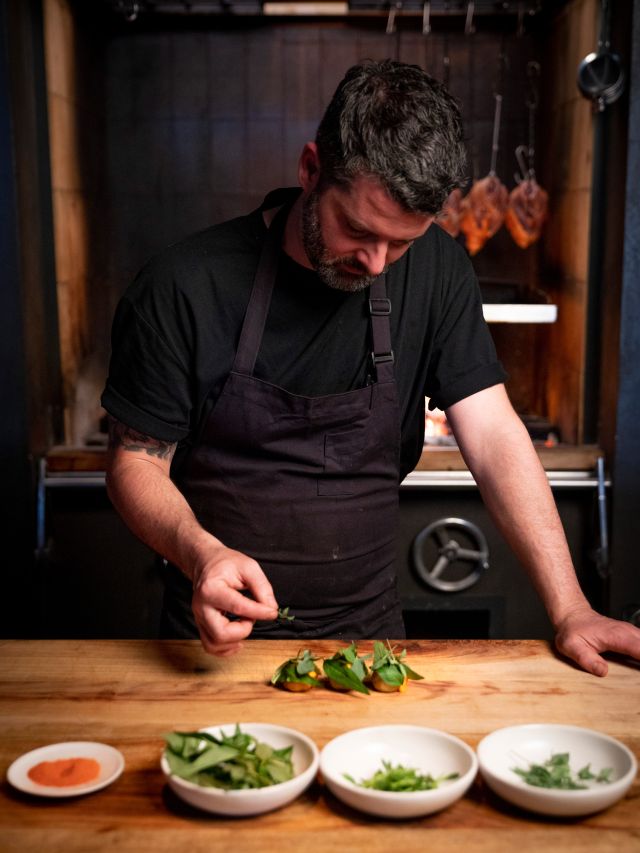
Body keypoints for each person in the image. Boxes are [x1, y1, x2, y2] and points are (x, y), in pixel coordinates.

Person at [102, 59, 640, 675]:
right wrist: (202, 555)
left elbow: (494, 437)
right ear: (310, 170)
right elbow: (134, 464)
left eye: (402, 242)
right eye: (357, 229)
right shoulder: (185, 284)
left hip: (372, 655)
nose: (379, 263)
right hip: (212, 647)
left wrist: (571, 608)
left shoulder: (438, 271)